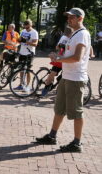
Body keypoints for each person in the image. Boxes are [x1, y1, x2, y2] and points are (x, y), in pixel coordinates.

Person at [35, 8, 91, 153]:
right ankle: (52, 136)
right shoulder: (74, 34)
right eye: (68, 17)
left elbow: (77, 57)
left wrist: (59, 58)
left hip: (76, 79)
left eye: (71, 17)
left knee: (76, 112)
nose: (68, 20)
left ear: (80, 18)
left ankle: (77, 143)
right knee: (59, 109)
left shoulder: (82, 35)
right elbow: (68, 54)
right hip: (67, 77)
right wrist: (57, 55)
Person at [41, 26, 73, 97]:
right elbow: (57, 47)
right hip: (60, 59)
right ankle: (46, 87)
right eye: (66, 33)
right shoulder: (63, 37)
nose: (67, 34)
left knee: (64, 76)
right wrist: (61, 46)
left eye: (69, 33)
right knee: (53, 73)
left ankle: (59, 87)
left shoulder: (73, 38)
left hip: (67, 60)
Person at [15, 19, 38, 93]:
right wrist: (19, 40)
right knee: (21, 69)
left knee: (28, 70)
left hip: (29, 53)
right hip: (22, 52)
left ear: (31, 25)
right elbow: (20, 40)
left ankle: (27, 86)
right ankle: (21, 84)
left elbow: (35, 44)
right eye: (25, 26)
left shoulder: (34, 32)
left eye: (27, 26)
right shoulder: (23, 31)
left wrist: (26, 41)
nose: (26, 27)